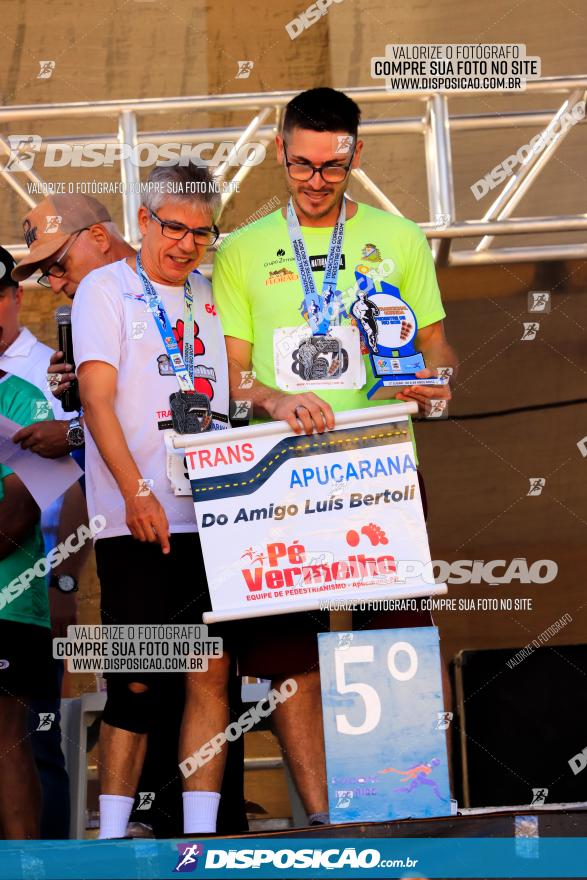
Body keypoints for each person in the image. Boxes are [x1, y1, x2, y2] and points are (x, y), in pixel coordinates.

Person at [211, 87, 459, 821]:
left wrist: (434, 382)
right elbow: (233, 373)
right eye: (301, 165)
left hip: (380, 460)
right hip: (279, 471)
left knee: (395, 630)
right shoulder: (243, 250)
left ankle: (404, 807)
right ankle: (327, 818)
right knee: (291, 651)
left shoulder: (400, 237)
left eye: (331, 166)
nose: (315, 181)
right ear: (277, 152)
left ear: (356, 154)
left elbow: (435, 344)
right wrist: (274, 399)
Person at [11, 195, 247, 838]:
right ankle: (128, 833)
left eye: (56, 264)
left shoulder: (205, 281)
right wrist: (76, 419)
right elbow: (103, 411)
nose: (54, 282)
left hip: (213, 513)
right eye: (43, 276)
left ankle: (209, 832)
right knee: (142, 681)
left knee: (212, 676)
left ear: (96, 237)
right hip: (132, 523)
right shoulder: (96, 302)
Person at [0, 244, 88, 838]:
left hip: (20, 595)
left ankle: (32, 869)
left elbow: (17, 515)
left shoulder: (31, 382)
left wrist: (63, 580)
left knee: (23, 744)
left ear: (14, 298)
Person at [0, 371, 55, 838]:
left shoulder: (23, 398)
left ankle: (24, 865)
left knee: (4, 736)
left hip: (8, 602)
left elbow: (20, 510)